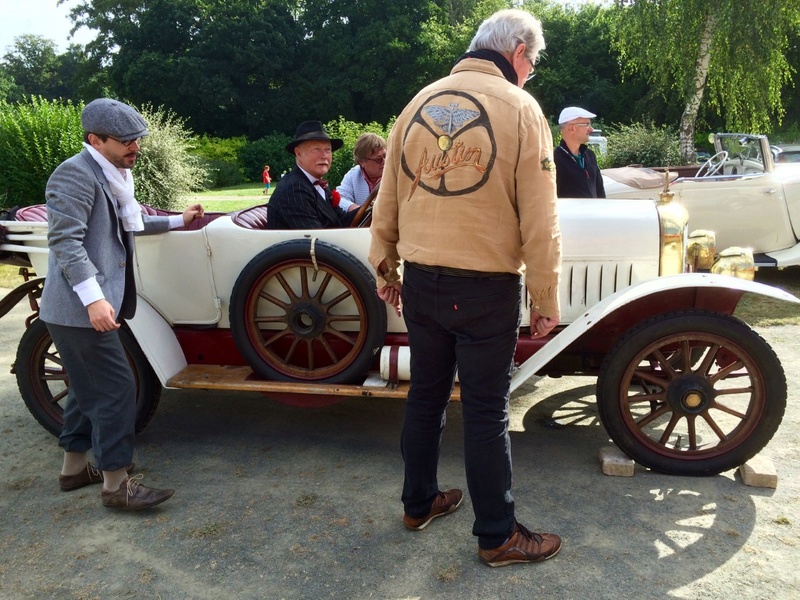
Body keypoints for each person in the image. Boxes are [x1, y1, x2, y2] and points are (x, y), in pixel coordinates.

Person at [368, 9, 563, 567]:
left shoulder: (417, 103)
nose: (531, 73)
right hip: (483, 287)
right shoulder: (522, 108)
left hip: (422, 282)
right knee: (484, 410)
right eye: (533, 63)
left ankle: (419, 502)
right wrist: (546, 300)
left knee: (426, 395)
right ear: (520, 53)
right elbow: (541, 216)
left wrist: (385, 267)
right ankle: (497, 535)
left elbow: (388, 197)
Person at [41, 98, 205, 510]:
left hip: (93, 308)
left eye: (138, 139)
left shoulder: (111, 175)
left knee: (84, 388)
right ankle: (117, 484)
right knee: (117, 388)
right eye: (126, 140)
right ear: (95, 140)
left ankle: (74, 468)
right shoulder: (74, 174)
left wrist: (176, 221)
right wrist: (94, 300)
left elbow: (126, 223)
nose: (136, 146)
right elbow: (66, 243)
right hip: (81, 311)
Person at [267, 121, 355, 229]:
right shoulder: (295, 189)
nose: (324, 156)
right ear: (298, 153)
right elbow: (315, 238)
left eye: (328, 150)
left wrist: (374, 208)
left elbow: (341, 220)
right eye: (316, 149)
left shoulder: (317, 184)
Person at [554, 106, 606, 198]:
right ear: (571, 128)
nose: (591, 129)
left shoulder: (590, 155)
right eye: (586, 124)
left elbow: (600, 193)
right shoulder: (554, 160)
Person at [335, 133, 386, 212]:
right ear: (362, 162)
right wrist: (357, 210)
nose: (384, 162)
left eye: (386, 156)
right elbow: (340, 198)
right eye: (378, 159)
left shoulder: (394, 175)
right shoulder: (353, 175)